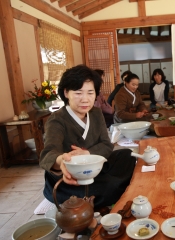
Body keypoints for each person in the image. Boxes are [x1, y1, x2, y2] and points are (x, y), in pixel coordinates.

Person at [39, 65, 136, 211]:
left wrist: (87, 153)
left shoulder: (96, 113)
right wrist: (62, 161)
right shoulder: (57, 119)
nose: (85, 99)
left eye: (90, 93)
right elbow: (49, 153)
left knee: (127, 154)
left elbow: (106, 145)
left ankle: (113, 186)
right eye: (78, 93)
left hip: (94, 167)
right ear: (66, 92)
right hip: (71, 179)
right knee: (111, 186)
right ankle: (112, 190)